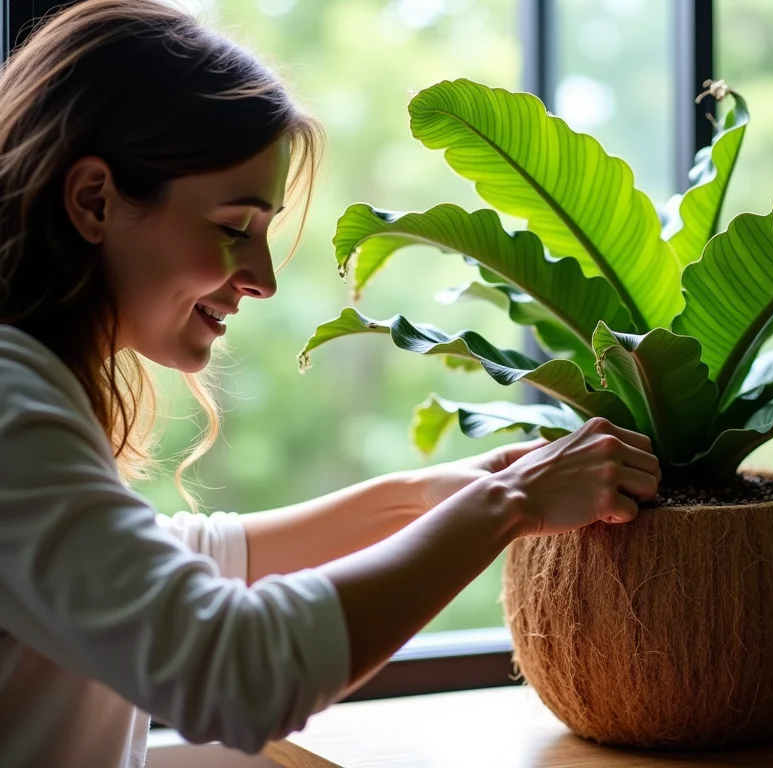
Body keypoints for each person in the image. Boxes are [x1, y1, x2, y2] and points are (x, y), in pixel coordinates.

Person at [0, 1, 661, 764]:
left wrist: (425, 496)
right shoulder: (14, 412)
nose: (263, 279)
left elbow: (165, 561)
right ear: (93, 201)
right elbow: (232, 672)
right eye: (232, 227)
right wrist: (506, 507)